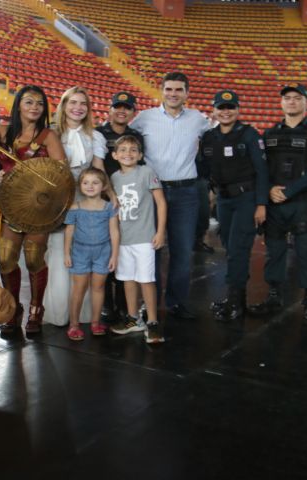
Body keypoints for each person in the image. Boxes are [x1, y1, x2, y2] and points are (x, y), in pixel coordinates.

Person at [0, 86, 66, 334]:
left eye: (40, 103)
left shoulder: (49, 136)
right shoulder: (2, 131)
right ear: (18, 104)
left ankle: (36, 309)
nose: (34, 107)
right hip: (9, 207)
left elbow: (61, 173)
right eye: (29, 102)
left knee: (33, 258)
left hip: (39, 206)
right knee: (6, 258)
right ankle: (13, 309)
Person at [248, 83, 307, 326]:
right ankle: (274, 296)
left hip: (304, 202)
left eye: (297, 98)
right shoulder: (270, 134)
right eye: (287, 98)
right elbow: (261, 169)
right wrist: (270, 191)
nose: (292, 102)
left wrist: (290, 190)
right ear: (281, 103)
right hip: (275, 204)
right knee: (274, 252)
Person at [130, 72, 211, 320]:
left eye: (178, 90)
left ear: (187, 93)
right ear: (161, 91)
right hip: (152, 192)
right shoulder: (144, 118)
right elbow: (124, 138)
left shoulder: (198, 119)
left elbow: (218, 134)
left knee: (182, 250)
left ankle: (176, 302)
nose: (173, 94)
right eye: (169, 89)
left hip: (186, 191)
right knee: (149, 250)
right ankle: (150, 303)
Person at [43, 87, 108, 328]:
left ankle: (82, 314)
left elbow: (99, 168)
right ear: (63, 105)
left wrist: (108, 195)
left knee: (84, 253)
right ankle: (59, 313)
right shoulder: (51, 134)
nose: (78, 107)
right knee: (60, 253)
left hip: (87, 196)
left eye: (83, 103)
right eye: (73, 102)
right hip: (59, 197)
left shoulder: (95, 136)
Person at [202, 90, 268, 323]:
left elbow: (262, 170)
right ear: (214, 110)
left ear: (238, 110)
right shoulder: (209, 137)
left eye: (230, 107)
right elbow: (204, 169)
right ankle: (235, 298)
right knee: (231, 249)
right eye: (221, 107)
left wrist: (261, 204)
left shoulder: (248, 134)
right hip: (224, 200)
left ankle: (236, 302)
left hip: (246, 199)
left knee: (239, 250)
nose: (226, 112)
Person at [108, 136, 167, 343]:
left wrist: (160, 232)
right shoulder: (113, 178)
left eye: (133, 150)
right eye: (122, 150)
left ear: (140, 155)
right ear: (114, 155)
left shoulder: (146, 172)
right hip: (123, 239)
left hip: (144, 237)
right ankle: (134, 319)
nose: (128, 154)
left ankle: (152, 321)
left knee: (146, 280)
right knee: (127, 278)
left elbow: (160, 202)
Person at [95, 91, 144, 322]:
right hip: (104, 198)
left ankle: (125, 302)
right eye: (118, 106)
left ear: (133, 112)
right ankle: (106, 302)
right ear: (110, 109)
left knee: (125, 251)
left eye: (127, 107)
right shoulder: (98, 134)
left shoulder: (136, 136)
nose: (122, 111)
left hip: (129, 200)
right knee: (105, 251)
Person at [63, 168, 119, 340]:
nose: (90, 186)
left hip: (103, 252)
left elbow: (114, 232)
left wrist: (114, 255)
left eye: (95, 183)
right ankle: (73, 325)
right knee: (79, 289)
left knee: (98, 287)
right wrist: (66, 253)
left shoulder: (109, 207)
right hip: (80, 252)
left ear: (103, 186)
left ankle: (95, 322)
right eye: (85, 182)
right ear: (80, 186)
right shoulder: (75, 208)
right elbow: (69, 231)